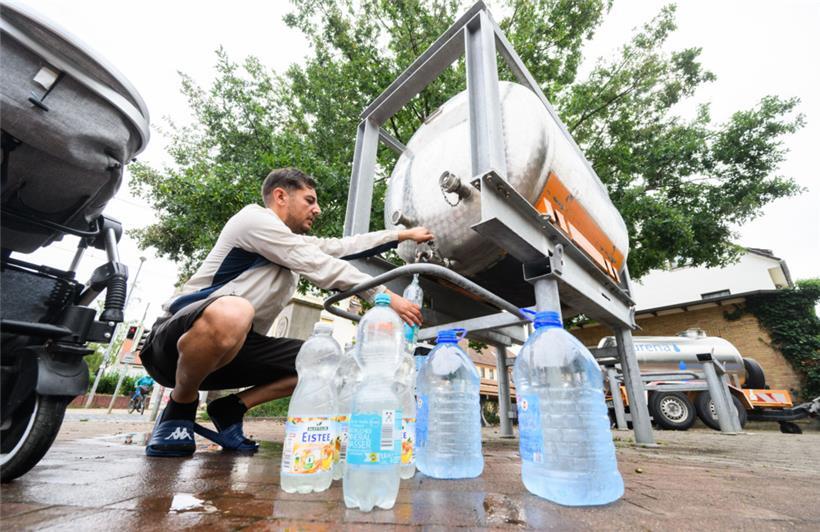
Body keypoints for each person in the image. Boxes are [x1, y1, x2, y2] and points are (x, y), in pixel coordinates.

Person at [140, 167, 433, 457]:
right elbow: (317, 264)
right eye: (309, 200)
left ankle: (232, 408)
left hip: (231, 352)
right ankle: (180, 407)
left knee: (325, 361)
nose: (317, 209)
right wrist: (384, 296)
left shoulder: (290, 243)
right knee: (235, 310)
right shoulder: (254, 220)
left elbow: (344, 247)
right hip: (172, 346)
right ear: (281, 196)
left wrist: (402, 235)